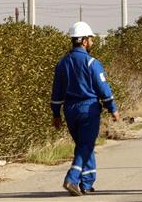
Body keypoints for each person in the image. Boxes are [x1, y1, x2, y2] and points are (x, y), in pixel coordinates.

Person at [51, 21, 120, 196]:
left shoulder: (62, 63)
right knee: (85, 145)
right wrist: (112, 108)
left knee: (84, 145)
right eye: (90, 39)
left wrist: (56, 114)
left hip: (69, 110)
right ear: (84, 41)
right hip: (88, 109)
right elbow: (103, 88)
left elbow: (56, 92)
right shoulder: (92, 63)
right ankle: (72, 178)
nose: (92, 42)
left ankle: (87, 183)